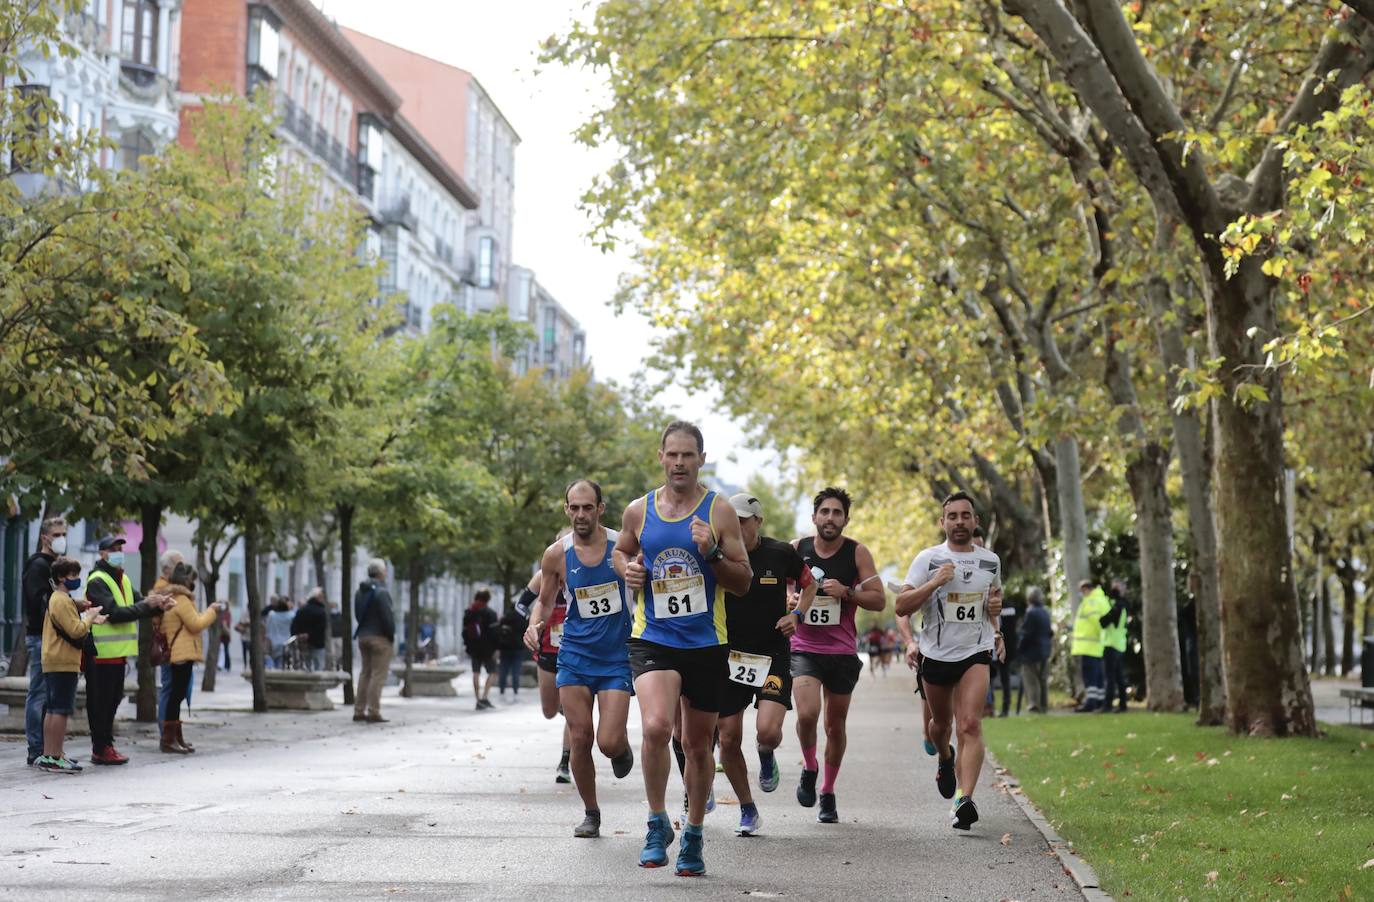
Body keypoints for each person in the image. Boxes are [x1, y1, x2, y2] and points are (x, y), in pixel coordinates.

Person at [613, 421, 751, 876]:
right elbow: (622, 551)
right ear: (660, 457)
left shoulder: (719, 511)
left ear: (701, 460)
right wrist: (628, 570)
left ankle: (693, 833)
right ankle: (657, 823)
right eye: (671, 454)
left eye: (687, 455)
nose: (679, 463)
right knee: (656, 726)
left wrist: (712, 553)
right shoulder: (639, 510)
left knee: (696, 745)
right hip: (653, 636)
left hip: (706, 642)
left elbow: (743, 582)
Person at [525, 479, 636, 838]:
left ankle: (620, 748)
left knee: (608, 741)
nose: (581, 514)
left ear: (600, 509)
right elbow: (544, 600)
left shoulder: (622, 545)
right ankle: (591, 812)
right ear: (566, 509)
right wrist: (535, 624)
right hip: (574, 654)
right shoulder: (556, 554)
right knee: (580, 736)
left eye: (588, 507)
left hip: (616, 655)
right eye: (574, 508)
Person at [895, 492, 1004, 830]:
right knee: (939, 727)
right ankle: (945, 757)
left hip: (976, 651)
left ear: (975, 521)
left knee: (970, 724)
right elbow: (901, 606)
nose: (959, 521)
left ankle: (964, 799)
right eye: (952, 516)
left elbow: (993, 599)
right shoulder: (928, 559)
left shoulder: (990, 561)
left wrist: (996, 621)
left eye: (965, 515)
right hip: (937, 654)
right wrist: (934, 582)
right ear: (943, 522)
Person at [716, 493, 816, 837]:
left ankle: (765, 752)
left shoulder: (780, 553)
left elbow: (810, 583)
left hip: (772, 654)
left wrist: (797, 615)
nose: (737, 526)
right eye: (732, 520)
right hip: (730, 656)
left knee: (768, 733)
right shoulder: (717, 554)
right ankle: (747, 807)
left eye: (743, 520)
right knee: (728, 738)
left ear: (758, 521)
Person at [790, 487, 885, 824]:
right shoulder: (797, 549)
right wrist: (789, 598)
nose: (830, 518)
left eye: (837, 513)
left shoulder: (857, 552)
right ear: (814, 516)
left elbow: (879, 599)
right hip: (804, 647)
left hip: (841, 651)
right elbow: (777, 585)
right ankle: (809, 765)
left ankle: (828, 791)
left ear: (846, 519)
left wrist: (847, 592)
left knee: (835, 725)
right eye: (825, 512)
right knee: (806, 715)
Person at [84, 535, 174, 765]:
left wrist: (158, 605)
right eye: (113, 549)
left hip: (118, 654)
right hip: (102, 654)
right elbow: (114, 613)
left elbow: (138, 603)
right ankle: (100, 748)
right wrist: (146, 605)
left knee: (113, 702)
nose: (118, 553)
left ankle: (106, 745)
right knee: (101, 704)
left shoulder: (122, 578)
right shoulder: (97, 580)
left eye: (120, 549)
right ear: (102, 553)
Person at [36, 556, 108, 774]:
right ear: (61, 577)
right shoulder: (61, 600)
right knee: (61, 711)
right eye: (73, 575)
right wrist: (90, 617)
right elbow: (76, 630)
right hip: (63, 661)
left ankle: (51, 754)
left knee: (53, 709)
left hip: (54, 659)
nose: (76, 579)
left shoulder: (59, 598)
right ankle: (55, 756)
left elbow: (70, 623)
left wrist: (85, 614)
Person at [159, 562, 225, 754]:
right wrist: (212, 611)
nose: (193, 583)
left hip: (179, 652)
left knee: (176, 695)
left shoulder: (173, 597)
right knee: (176, 696)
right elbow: (195, 624)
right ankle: (169, 739)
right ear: (185, 580)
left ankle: (175, 737)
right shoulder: (181, 600)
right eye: (192, 579)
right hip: (182, 653)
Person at [517, 565, 573, 782]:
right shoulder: (542, 576)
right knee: (549, 711)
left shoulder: (581, 570)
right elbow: (521, 604)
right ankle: (564, 707)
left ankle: (565, 763)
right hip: (548, 649)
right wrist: (532, 624)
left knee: (573, 712)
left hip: (575, 651)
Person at [22, 516, 67, 767]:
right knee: (39, 694)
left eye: (64, 534)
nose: (61, 539)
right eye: (57, 535)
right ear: (44, 537)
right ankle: (37, 748)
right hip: (41, 636)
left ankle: (50, 749)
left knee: (49, 695)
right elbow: (38, 603)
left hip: (51, 636)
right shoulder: (38, 566)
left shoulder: (54, 565)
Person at [353, 559, 396, 723]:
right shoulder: (382, 592)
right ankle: (373, 711)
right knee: (378, 675)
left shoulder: (359, 592)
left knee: (365, 673)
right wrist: (390, 635)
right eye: (384, 570)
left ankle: (359, 710)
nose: (386, 573)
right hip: (380, 637)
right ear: (380, 573)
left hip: (363, 636)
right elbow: (387, 618)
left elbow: (358, 614)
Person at [1072, 579, 1111, 712]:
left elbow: (1096, 622)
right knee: (1097, 674)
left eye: (1082, 591)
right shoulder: (1102, 600)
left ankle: (1091, 701)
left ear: (1086, 589)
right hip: (1097, 644)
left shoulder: (1090, 602)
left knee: (1089, 675)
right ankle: (1099, 700)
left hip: (1088, 645)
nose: (1081, 594)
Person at [463, 589, 501, 710]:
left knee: (476, 672)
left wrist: (468, 645)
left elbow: (464, 631)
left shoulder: (469, 612)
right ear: (488, 599)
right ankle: (484, 697)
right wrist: (497, 648)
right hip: (488, 648)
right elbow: (495, 633)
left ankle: (477, 699)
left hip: (473, 648)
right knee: (493, 672)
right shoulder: (491, 613)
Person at [1100, 579, 1130, 712]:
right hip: (1119, 643)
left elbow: (1104, 621)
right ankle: (1123, 704)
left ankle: (1108, 704)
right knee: (1118, 676)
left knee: (1110, 676)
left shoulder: (1118, 605)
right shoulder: (1123, 604)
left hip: (1112, 643)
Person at [291, 588, 329, 671]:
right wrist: (309, 635)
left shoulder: (301, 610)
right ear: (318, 597)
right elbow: (321, 628)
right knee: (318, 666)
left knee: (306, 666)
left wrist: (299, 635)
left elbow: (294, 626)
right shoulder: (321, 611)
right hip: (318, 643)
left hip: (303, 643)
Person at [497, 600, 528, 699]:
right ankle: (515, 690)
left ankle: (502, 689)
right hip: (518, 648)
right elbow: (525, 631)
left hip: (505, 648)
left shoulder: (504, 618)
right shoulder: (522, 618)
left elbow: (499, 632)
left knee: (503, 669)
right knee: (516, 671)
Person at [265, 596, 295, 668]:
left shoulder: (271, 615)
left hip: (272, 642)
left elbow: (267, 627)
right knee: (280, 663)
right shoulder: (291, 615)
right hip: (286, 642)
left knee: (271, 661)